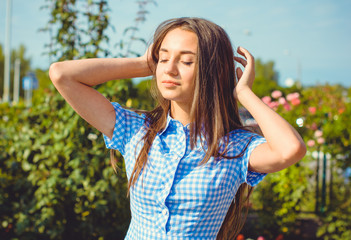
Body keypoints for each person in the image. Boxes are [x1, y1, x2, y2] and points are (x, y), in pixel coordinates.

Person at [49, 17, 306, 240]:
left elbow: (290, 149)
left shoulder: (235, 147)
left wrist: (244, 92)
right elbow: (62, 75)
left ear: (212, 71)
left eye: (186, 62)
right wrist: (144, 64)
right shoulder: (136, 131)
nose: (169, 69)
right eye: (163, 57)